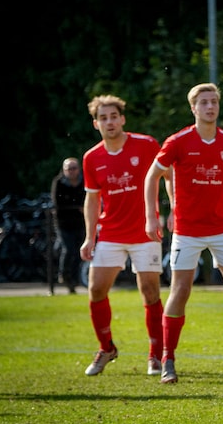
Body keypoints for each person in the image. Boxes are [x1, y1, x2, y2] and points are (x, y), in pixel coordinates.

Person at [143, 83, 223, 384]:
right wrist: (152, 216)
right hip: (187, 230)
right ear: (193, 108)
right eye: (204, 102)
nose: (210, 107)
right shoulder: (178, 141)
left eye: (214, 102)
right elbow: (152, 176)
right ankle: (168, 358)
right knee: (180, 291)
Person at [79, 95, 165, 377]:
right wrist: (89, 237)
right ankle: (107, 348)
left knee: (150, 293)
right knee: (96, 290)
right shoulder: (92, 157)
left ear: (122, 119)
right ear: (95, 123)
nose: (109, 122)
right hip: (110, 233)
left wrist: (173, 209)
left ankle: (155, 356)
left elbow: (168, 174)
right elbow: (92, 201)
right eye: (103, 118)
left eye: (113, 116)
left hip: (145, 232)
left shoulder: (146, 144)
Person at [50, 157, 85, 294]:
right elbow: (57, 202)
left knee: (78, 252)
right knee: (68, 249)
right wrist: (77, 207)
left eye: (74, 168)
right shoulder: (58, 183)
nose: (72, 171)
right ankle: (63, 275)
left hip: (80, 222)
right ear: (64, 170)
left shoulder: (84, 181)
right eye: (69, 169)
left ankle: (73, 280)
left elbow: (88, 197)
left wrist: (84, 208)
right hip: (63, 223)